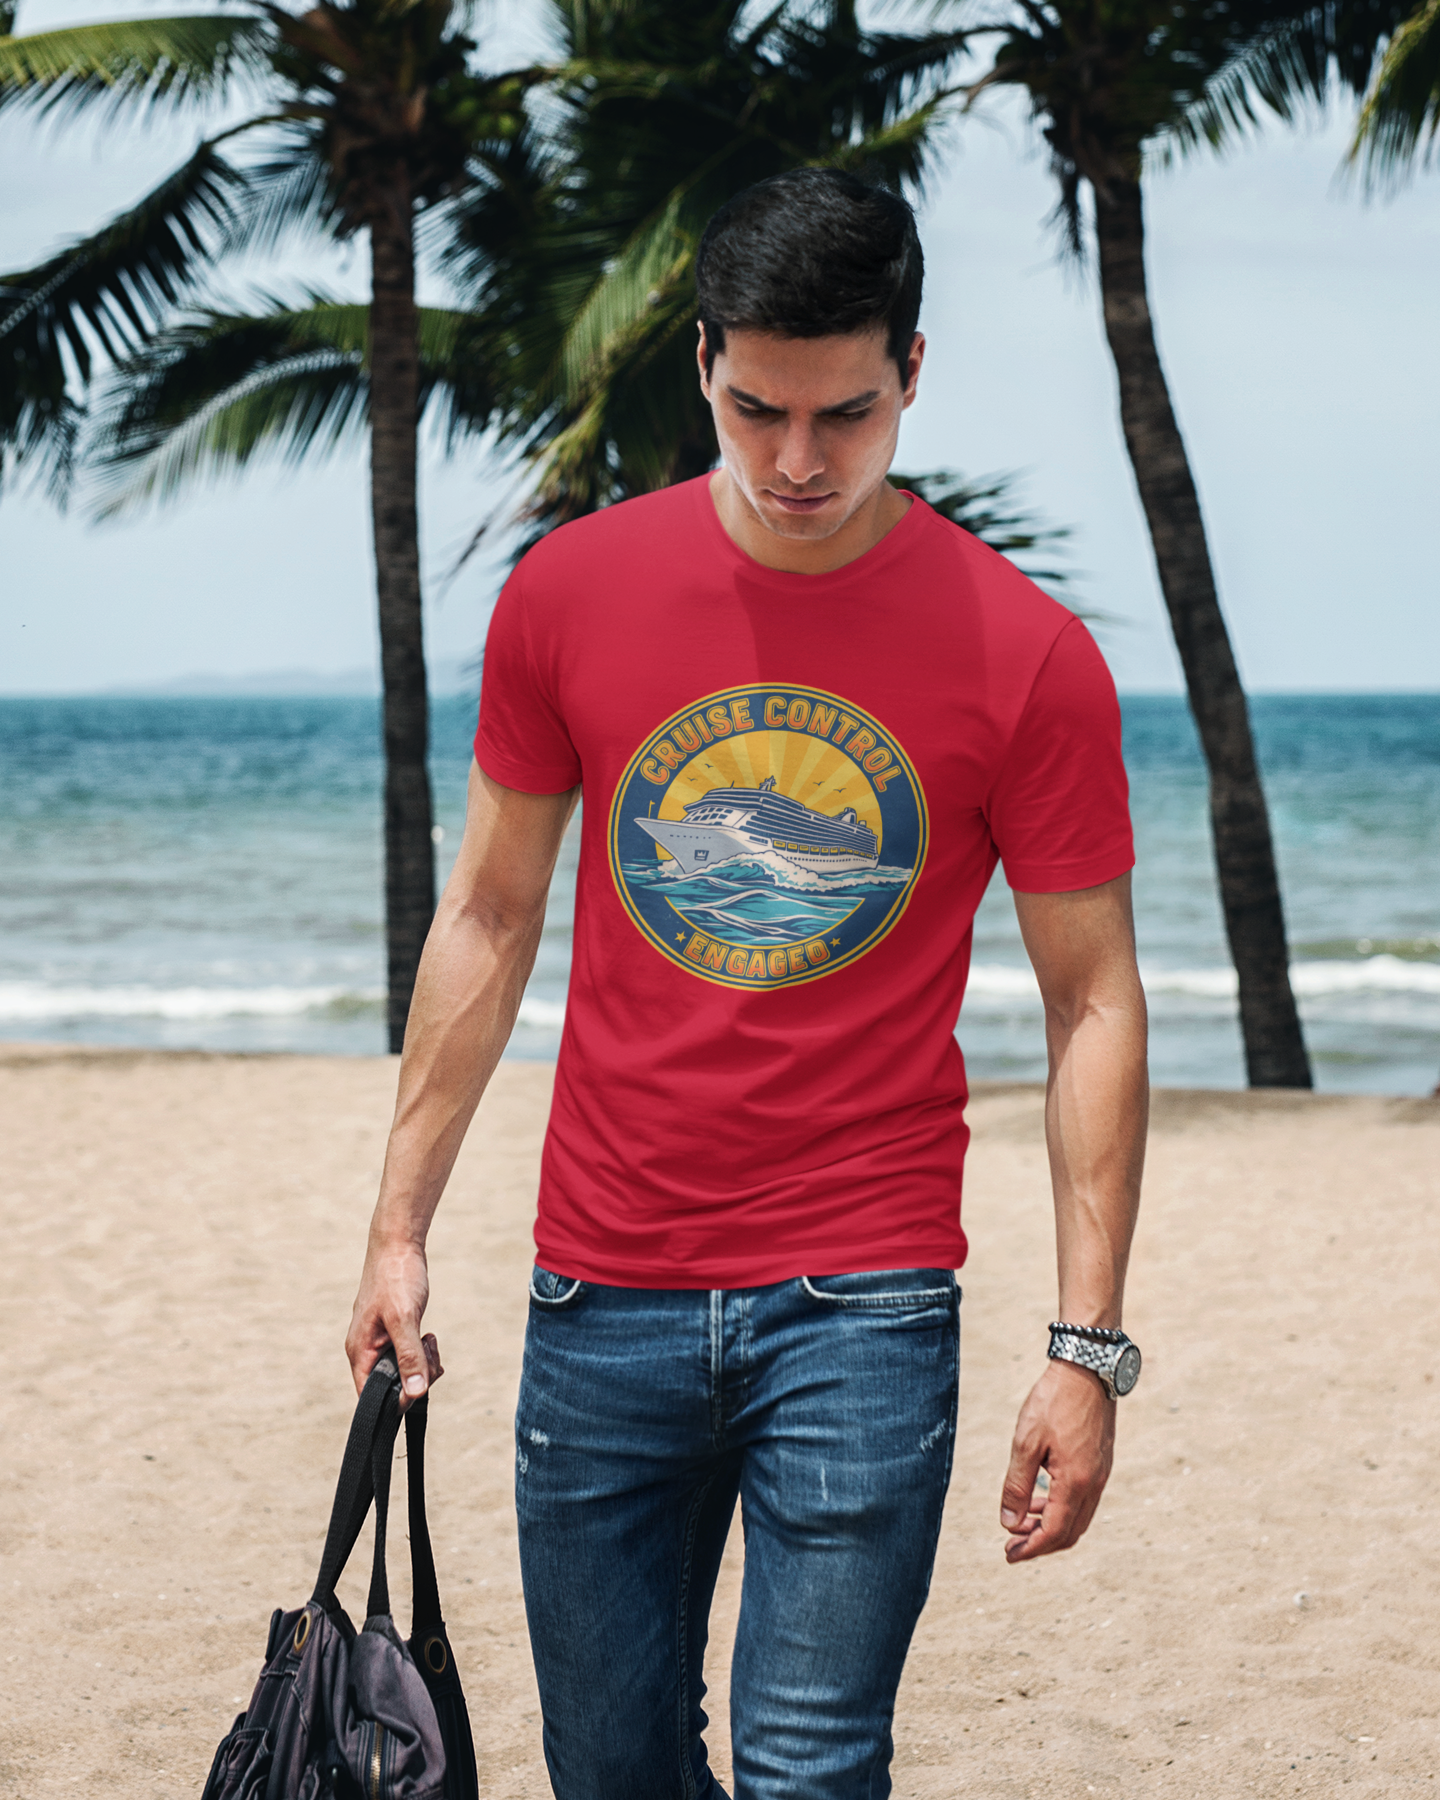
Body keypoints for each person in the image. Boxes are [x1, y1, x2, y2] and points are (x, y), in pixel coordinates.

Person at [345, 167, 1148, 1800]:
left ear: (912, 369)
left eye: (845, 414)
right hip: (602, 1293)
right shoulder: (570, 597)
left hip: (864, 1295)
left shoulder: (1028, 658)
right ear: (701, 360)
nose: (798, 461)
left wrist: (1088, 1344)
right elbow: (490, 921)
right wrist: (397, 1229)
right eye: (757, 408)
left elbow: (1094, 1003)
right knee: (616, 1769)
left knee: (807, 1765)